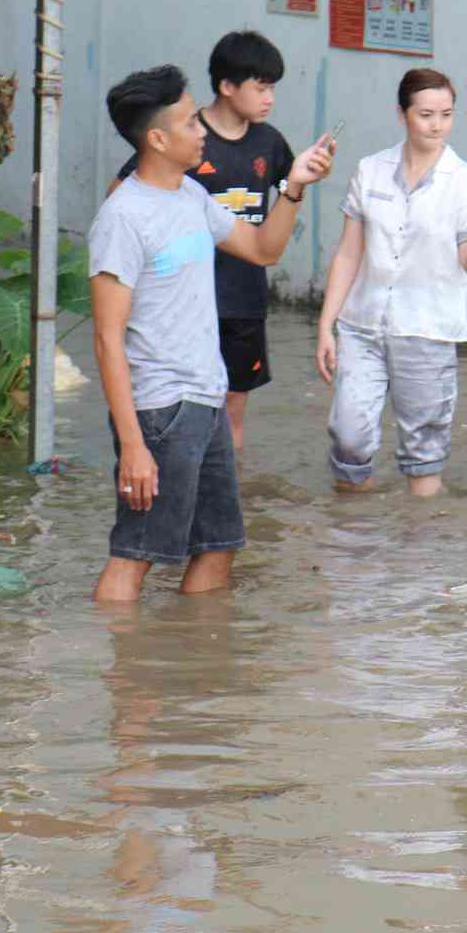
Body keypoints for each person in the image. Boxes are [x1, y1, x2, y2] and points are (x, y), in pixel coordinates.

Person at [88, 65, 335, 602]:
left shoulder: (191, 197)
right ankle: (121, 678)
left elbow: (262, 250)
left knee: (218, 546)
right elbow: (107, 339)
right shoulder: (123, 218)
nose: (202, 131)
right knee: (136, 555)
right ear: (157, 139)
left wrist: (293, 189)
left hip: (206, 397)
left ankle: (192, 672)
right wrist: (133, 443)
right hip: (160, 409)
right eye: (189, 122)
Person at [317, 68, 467, 497]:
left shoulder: (465, 183)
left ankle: (419, 548)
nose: (436, 125)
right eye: (425, 114)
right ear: (402, 114)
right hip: (362, 326)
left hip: (428, 329)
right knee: (348, 437)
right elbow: (349, 253)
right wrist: (326, 325)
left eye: (446, 114)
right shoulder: (370, 171)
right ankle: (350, 542)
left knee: (423, 453)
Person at [108, 30, 295, 452]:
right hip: (184, 299)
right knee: (182, 406)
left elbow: (274, 230)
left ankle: (227, 493)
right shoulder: (175, 143)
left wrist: (297, 187)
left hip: (244, 297)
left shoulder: (270, 143)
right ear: (227, 87)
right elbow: (121, 194)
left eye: (272, 89)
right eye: (260, 87)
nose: (269, 98)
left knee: (230, 408)